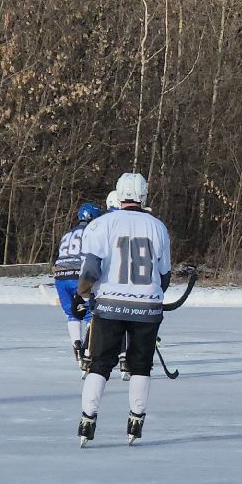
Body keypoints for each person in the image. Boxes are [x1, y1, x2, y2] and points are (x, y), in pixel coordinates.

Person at [73, 172, 172, 446]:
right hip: (148, 308)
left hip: (110, 305)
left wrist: (81, 294)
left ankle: (87, 420)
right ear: (143, 195)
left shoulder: (102, 225)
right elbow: (164, 276)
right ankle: (136, 420)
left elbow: (91, 269)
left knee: (100, 364)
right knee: (141, 365)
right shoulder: (158, 227)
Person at [55, 202, 104, 366]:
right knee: (91, 313)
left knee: (72, 314)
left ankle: (76, 346)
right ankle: (88, 351)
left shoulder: (67, 233)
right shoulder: (91, 232)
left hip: (60, 276)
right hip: (78, 275)